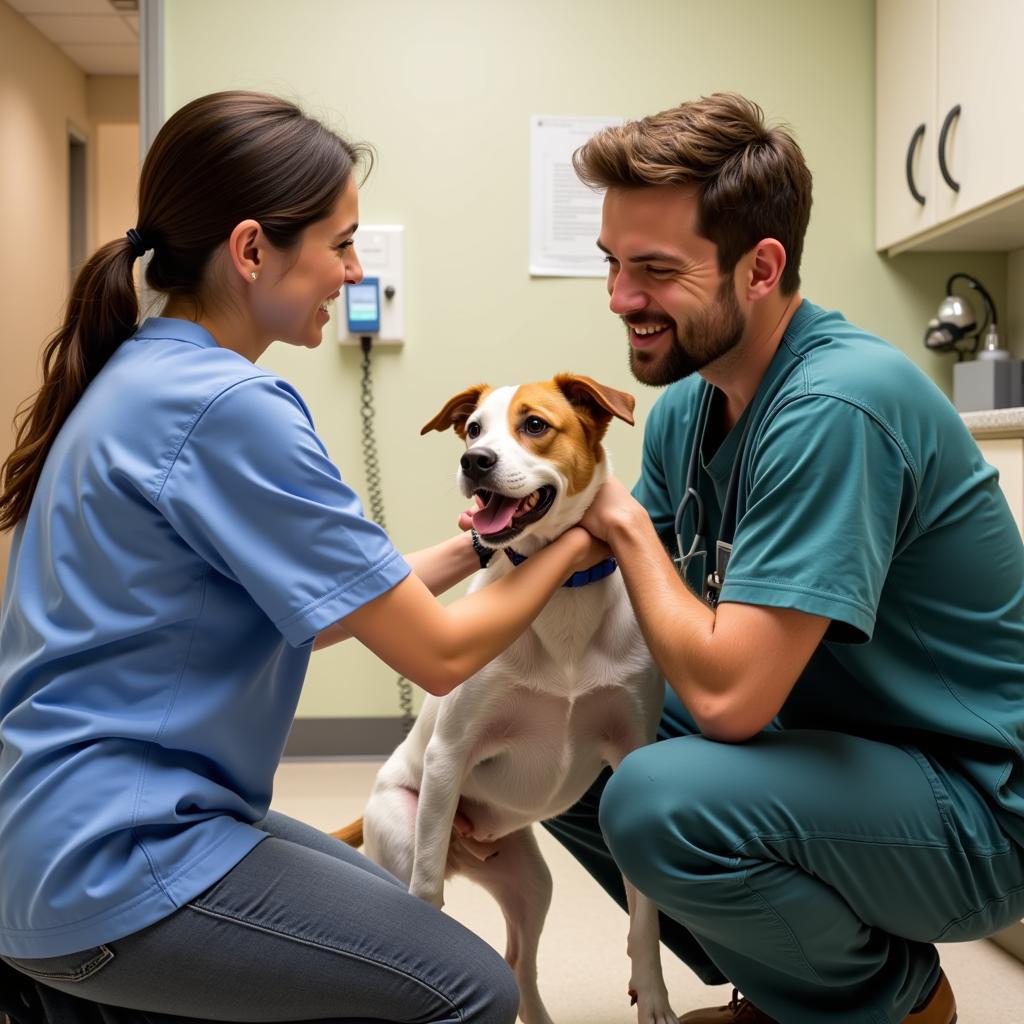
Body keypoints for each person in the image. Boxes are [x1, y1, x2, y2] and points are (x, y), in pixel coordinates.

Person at [0, 90, 609, 1023]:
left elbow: (324, 609)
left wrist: (482, 542)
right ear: (252, 251)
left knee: (387, 916)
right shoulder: (232, 407)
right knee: (468, 989)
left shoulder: (138, 373)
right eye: (341, 243)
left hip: (50, 839)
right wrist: (568, 543)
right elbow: (438, 655)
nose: (353, 272)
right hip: (118, 856)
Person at [539, 93, 1024, 1024]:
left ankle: (890, 1002)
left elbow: (727, 700)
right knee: (562, 740)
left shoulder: (837, 405)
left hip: (976, 814)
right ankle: (791, 986)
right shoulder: (690, 400)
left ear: (761, 268)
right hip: (837, 762)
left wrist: (630, 528)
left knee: (654, 796)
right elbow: (600, 576)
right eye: (610, 265)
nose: (619, 299)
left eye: (654, 269)